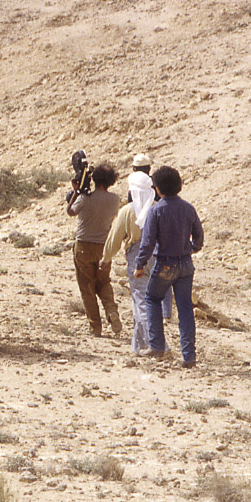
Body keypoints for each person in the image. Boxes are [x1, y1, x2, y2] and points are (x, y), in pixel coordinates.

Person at [135, 166, 204, 368]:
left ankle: (157, 345)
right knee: (185, 309)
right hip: (185, 263)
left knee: (152, 298)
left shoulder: (156, 210)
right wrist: (191, 248)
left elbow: (147, 243)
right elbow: (199, 236)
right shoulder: (188, 208)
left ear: (158, 189)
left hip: (165, 264)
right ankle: (189, 356)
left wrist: (139, 265)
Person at [100, 171, 161, 355]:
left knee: (141, 300)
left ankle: (155, 345)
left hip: (137, 257)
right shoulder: (158, 208)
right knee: (150, 301)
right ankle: (139, 345)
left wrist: (106, 257)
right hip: (158, 256)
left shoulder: (127, 211)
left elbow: (115, 237)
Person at [66, 163, 122, 337]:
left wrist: (76, 191)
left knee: (87, 287)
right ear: (112, 181)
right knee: (104, 282)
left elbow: (70, 211)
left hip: (83, 245)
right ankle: (111, 309)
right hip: (104, 247)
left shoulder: (84, 198)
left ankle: (95, 327)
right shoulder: (115, 199)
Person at [133, 152, 174, 320]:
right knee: (164, 276)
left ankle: (146, 313)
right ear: (149, 169)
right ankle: (166, 313)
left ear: (134, 169)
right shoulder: (156, 185)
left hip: (141, 234)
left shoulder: (134, 185)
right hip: (162, 235)